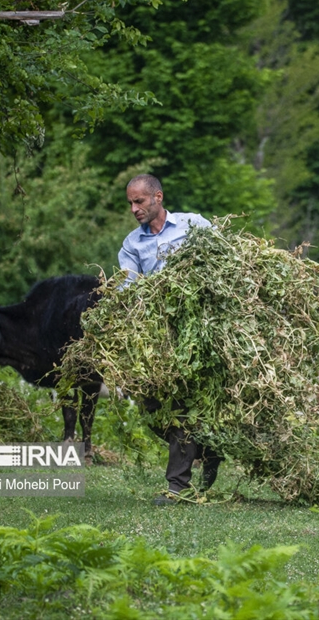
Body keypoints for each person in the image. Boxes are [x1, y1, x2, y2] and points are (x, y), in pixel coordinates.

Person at [118, 174, 222, 505]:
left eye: (140, 201)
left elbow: (224, 258)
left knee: (182, 405)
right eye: (130, 203)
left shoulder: (193, 225)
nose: (134, 209)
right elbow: (128, 285)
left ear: (158, 197)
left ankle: (177, 486)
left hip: (199, 331)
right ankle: (207, 448)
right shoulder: (132, 244)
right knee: (149, 405)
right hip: (159, 334)